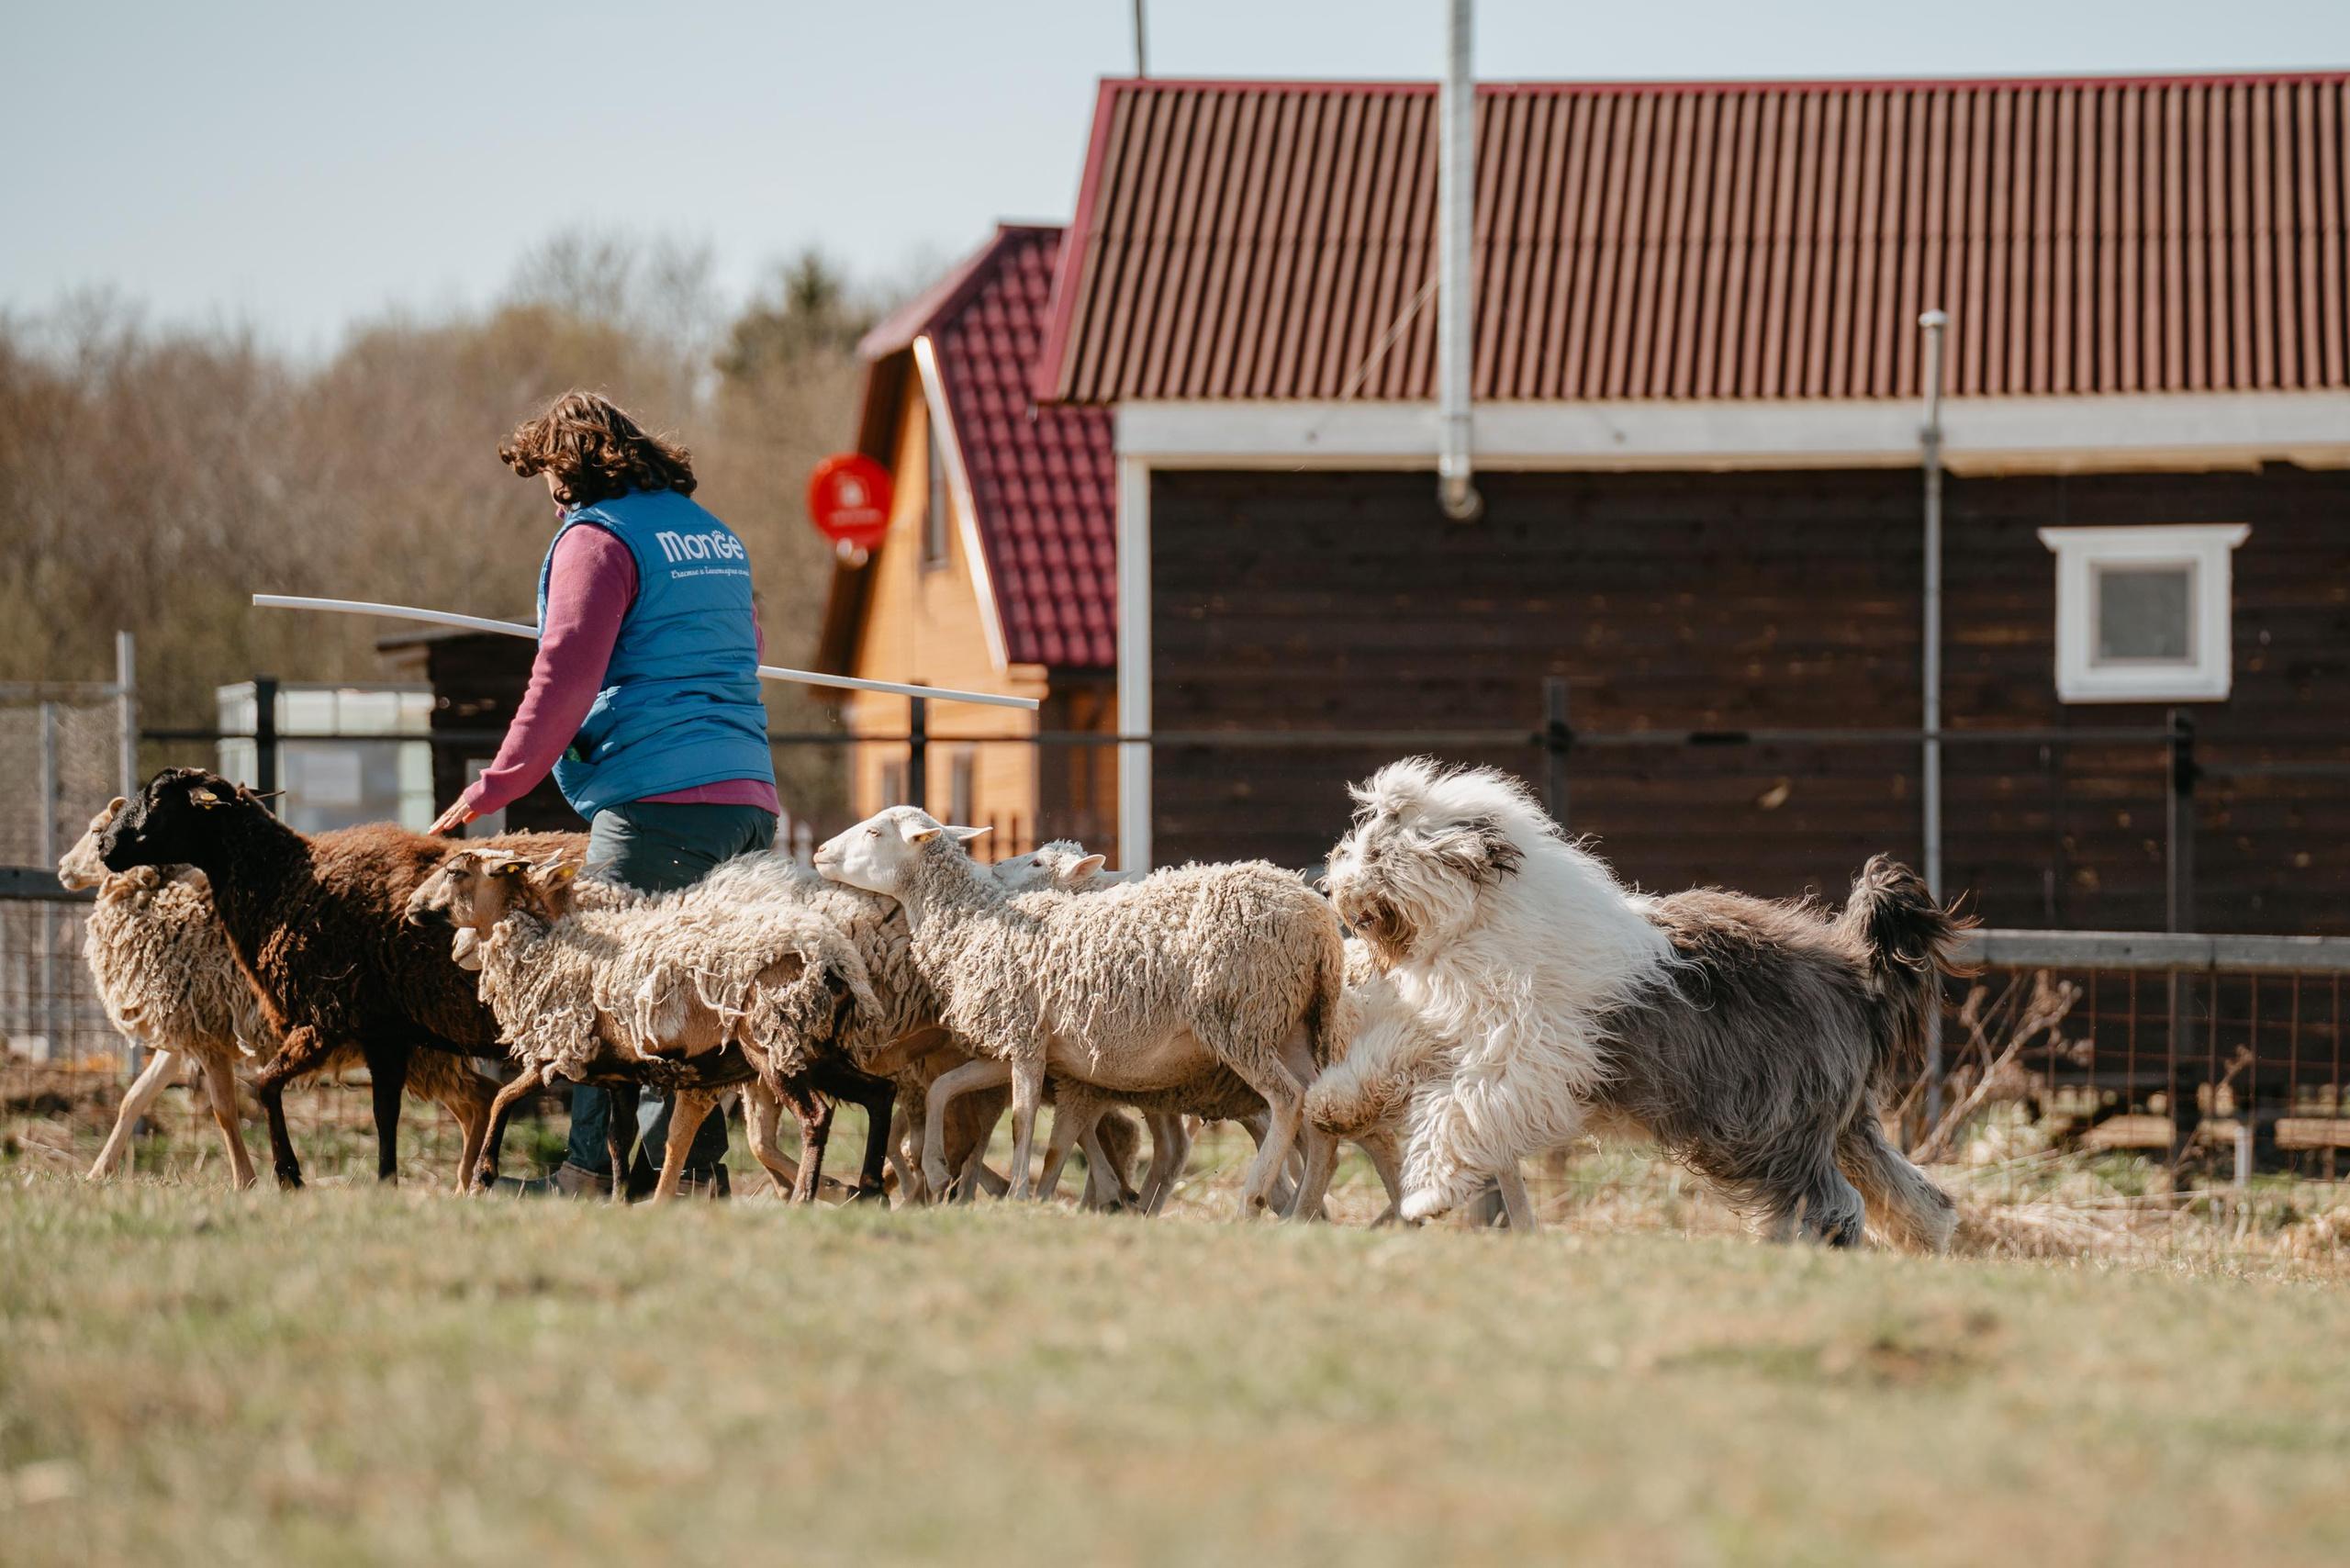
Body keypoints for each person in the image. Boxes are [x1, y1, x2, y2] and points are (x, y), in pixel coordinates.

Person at [431, 390, 778, 1198]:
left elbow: (563, 674)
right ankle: (693, 1177)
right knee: (703, 996)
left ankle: (594, 1174)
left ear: (572, 467)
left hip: (659, 802)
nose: (550, 494)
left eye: (550, 473)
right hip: (747, 799)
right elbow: (748, 644)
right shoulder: (713, 535)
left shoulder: (598, 537)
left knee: (607, 983)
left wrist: (497, 783)